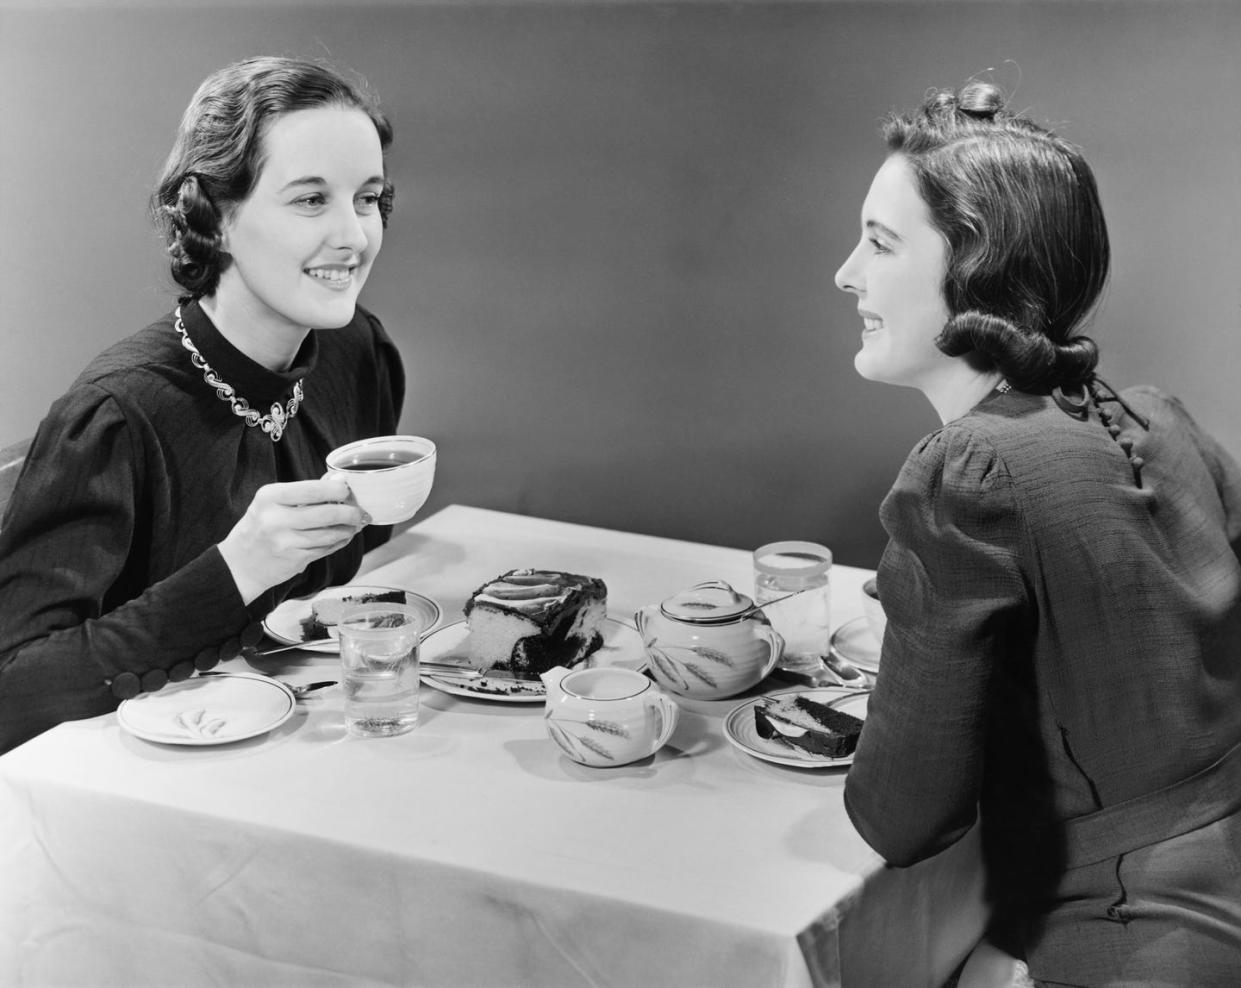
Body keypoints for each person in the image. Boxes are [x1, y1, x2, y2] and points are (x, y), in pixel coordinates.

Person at [835, 81, 1241, 986]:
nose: (846, 274)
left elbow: (900, 819)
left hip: (1135, 936)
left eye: (879, 242)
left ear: (974, 267)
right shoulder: (1154, 420)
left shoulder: (967, 471)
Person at [0, 56, 405, 753]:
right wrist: (236, 570)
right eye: (311, 199)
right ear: (212, 217)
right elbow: (13, 691)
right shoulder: (117, 415)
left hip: (298, 744)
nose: (354, 236)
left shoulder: (353, 352)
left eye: (366, 198)